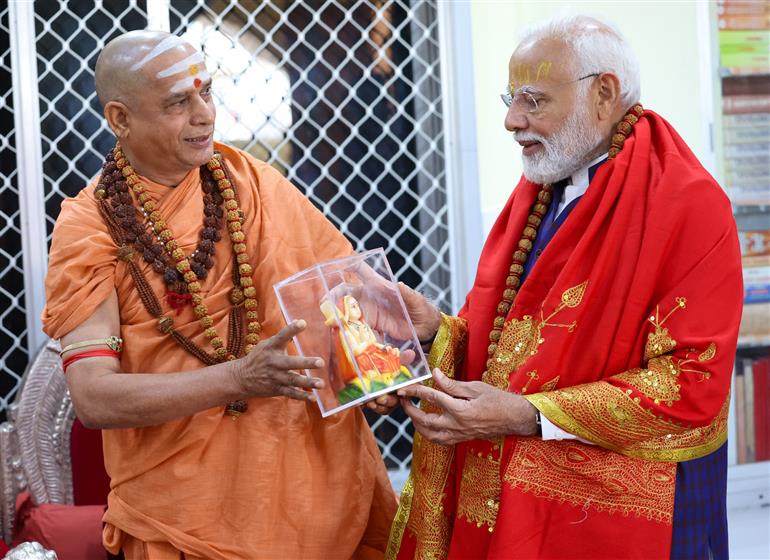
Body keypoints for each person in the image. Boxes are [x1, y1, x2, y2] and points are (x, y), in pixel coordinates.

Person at [41, 30, 418, 559]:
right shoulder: (91, 228)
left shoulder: (253, 186)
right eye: (178, 103)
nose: (205, 116)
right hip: (183, 519)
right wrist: (237, 378)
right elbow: (94, 397)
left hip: (316, 494)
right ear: (120, 119)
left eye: (207, 92)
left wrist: (372, 375)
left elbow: (339, 305)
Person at [383, 15, 743, 560]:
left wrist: (528, 415)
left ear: (604, 94)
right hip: (524, 490)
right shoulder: (547, 187)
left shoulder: (689, 203)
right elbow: (520, 342)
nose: (511, 120)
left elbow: (690, 381)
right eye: (511, 98)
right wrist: (436, 328)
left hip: (633, 506)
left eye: (533, 100)